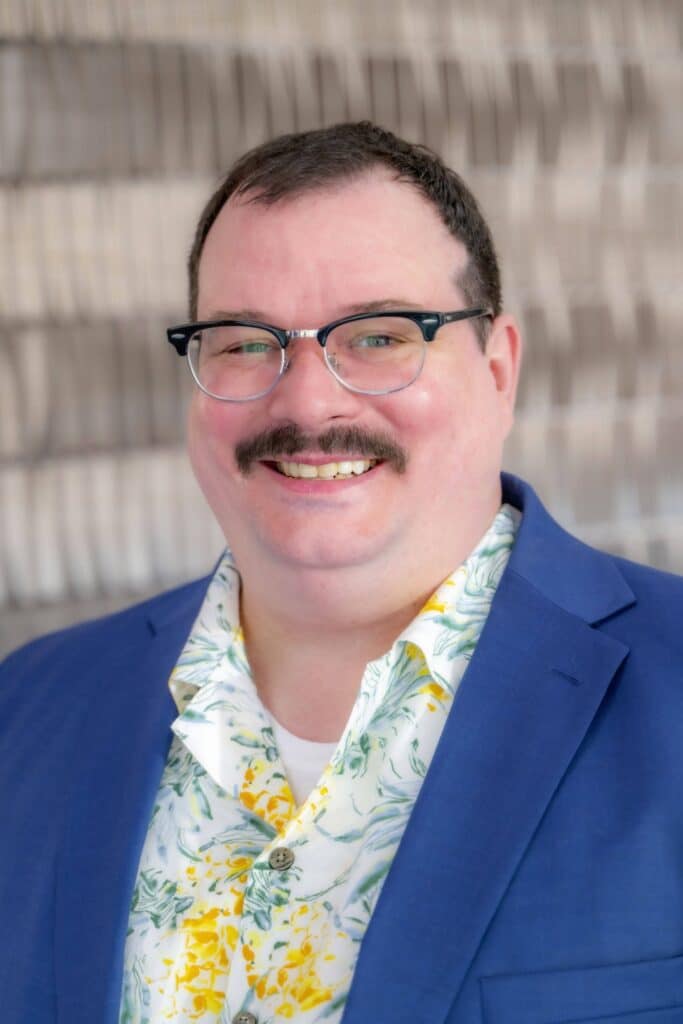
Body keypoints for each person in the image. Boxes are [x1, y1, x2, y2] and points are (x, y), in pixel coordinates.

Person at [2, 121, 682, 1024]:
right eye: (245, 341)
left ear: (497, 367)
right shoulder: (29, 710)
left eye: (378, 336)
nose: (309, 400)